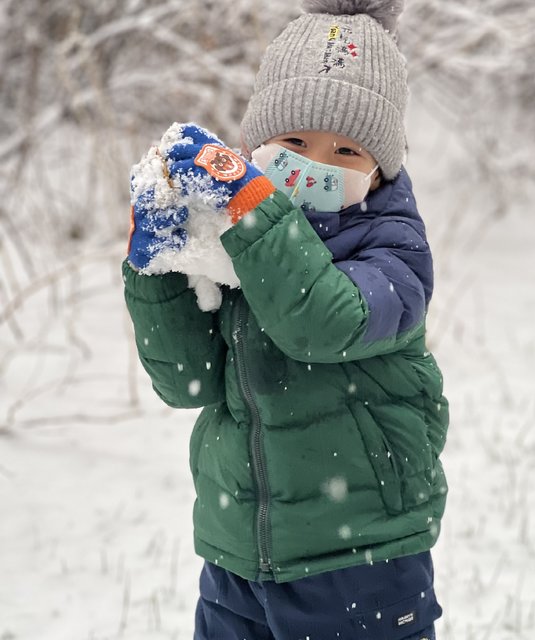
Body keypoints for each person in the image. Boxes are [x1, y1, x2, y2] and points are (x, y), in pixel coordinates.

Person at [123, 1, 449, 638]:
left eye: (345, 150)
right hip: (239, 553)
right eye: (294, 142)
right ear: (256, 145)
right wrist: (158, 263)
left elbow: (322, 322)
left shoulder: (394, 250)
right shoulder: (241, 237)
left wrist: (253, 210)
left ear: (380, 169)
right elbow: (187, 381)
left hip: (360, 557)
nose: (314, 166)